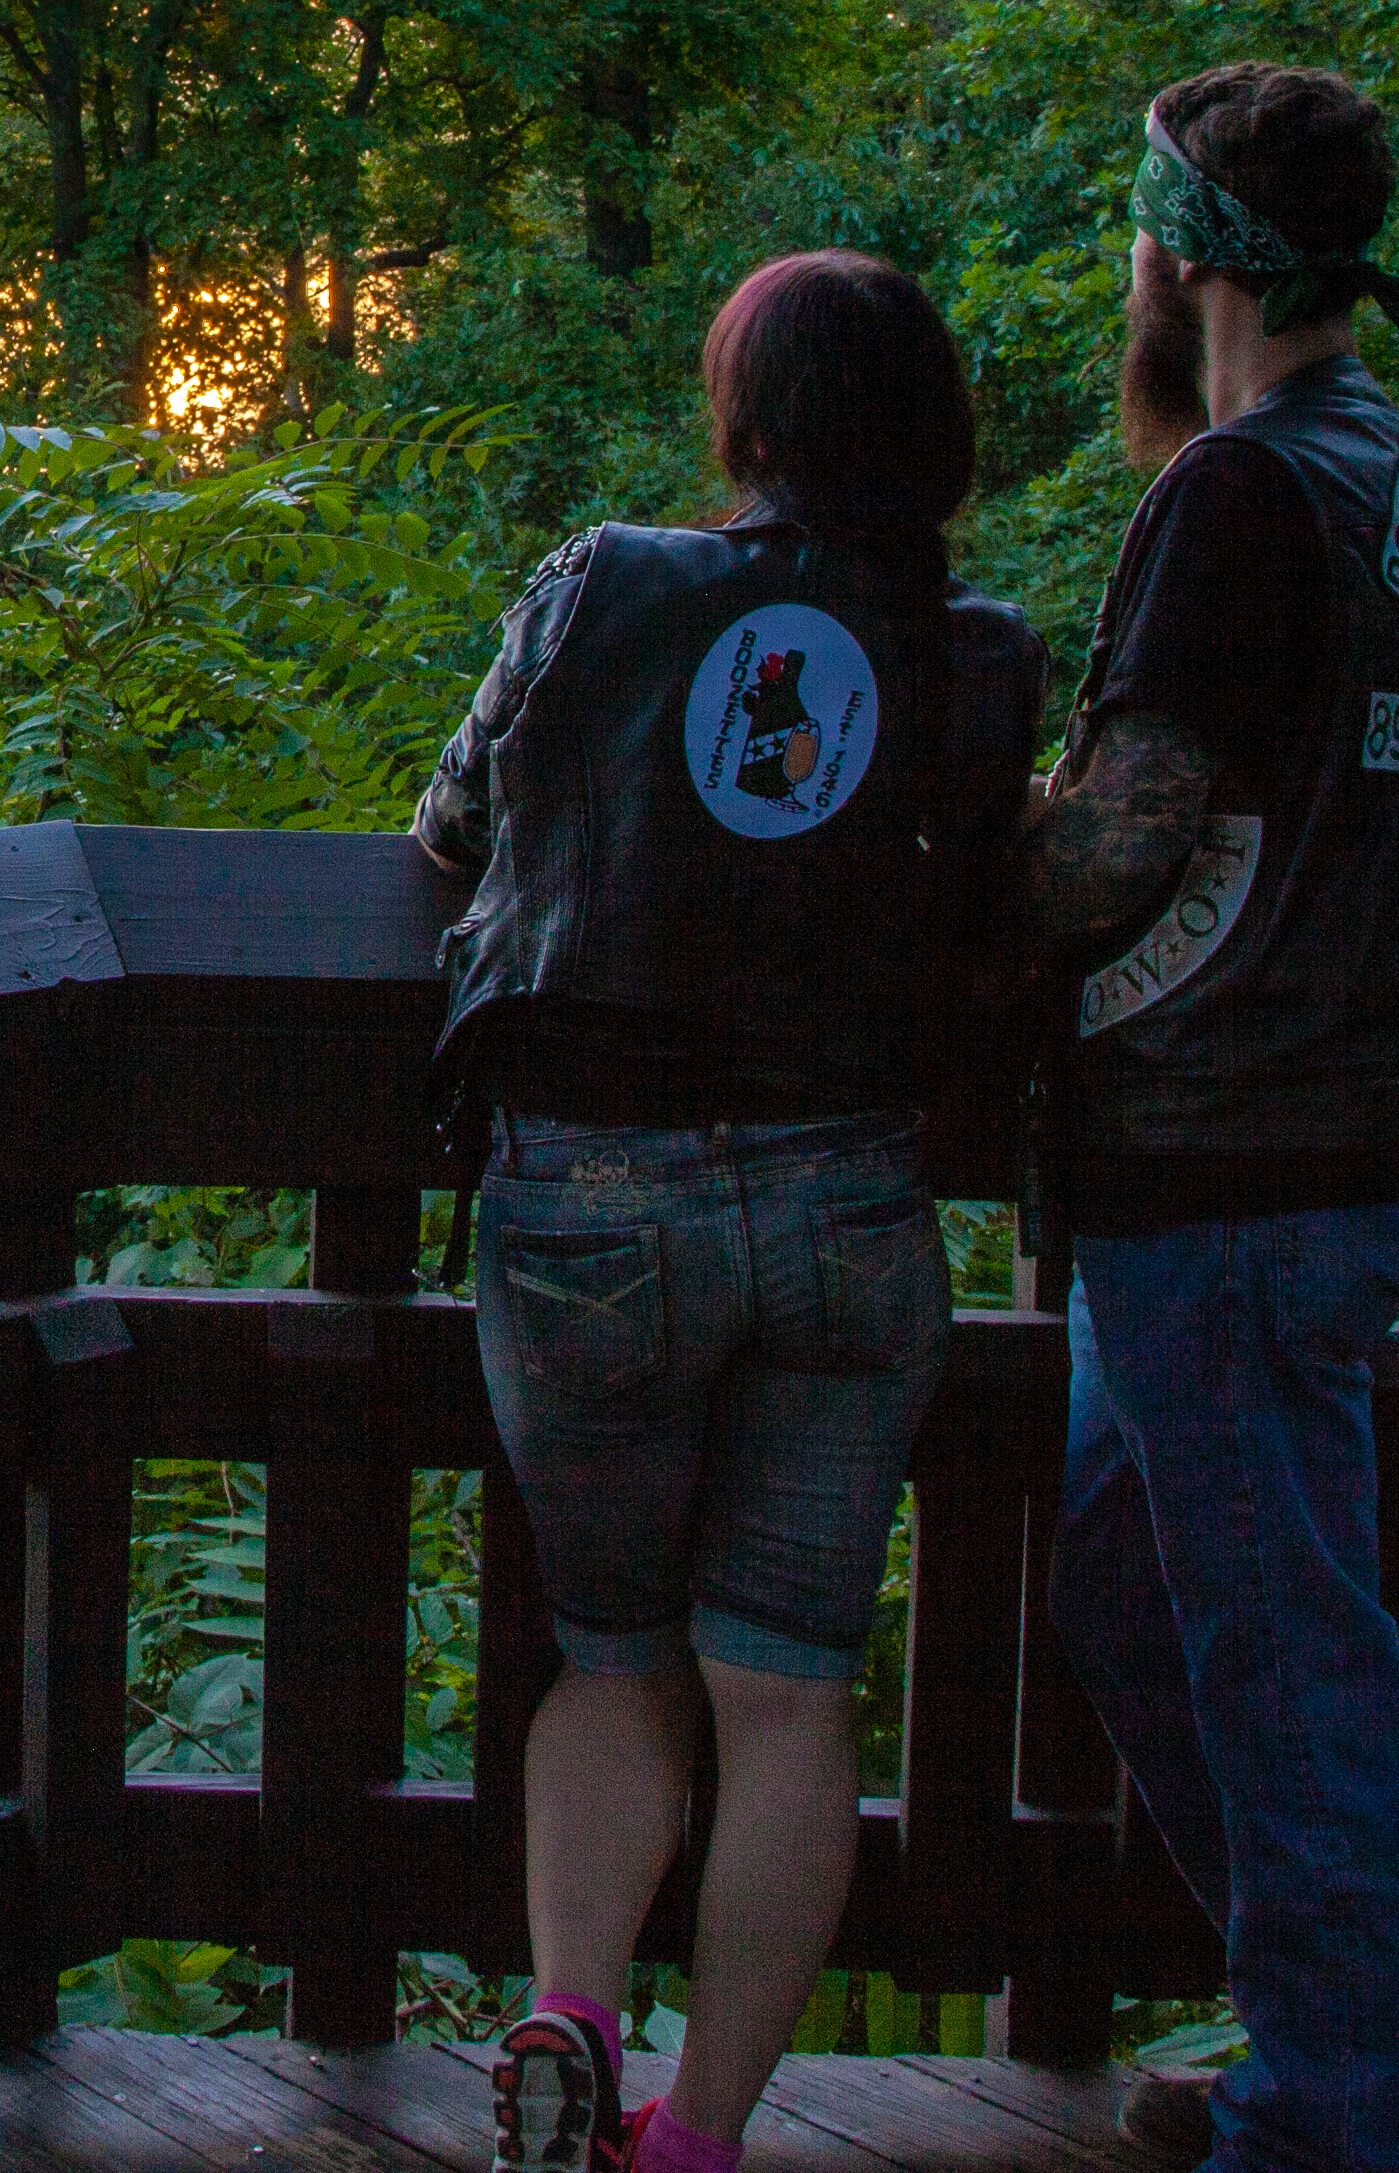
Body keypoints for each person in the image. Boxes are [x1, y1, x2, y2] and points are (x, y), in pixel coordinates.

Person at [414, 251, 1047, 2173]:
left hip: (591, 1204)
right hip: (854, 1201)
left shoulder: (605, 584)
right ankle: (694, 2140)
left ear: (745, 430)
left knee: (613, 1654)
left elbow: (448, 833)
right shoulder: (982, 655)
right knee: (786, 1692)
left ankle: (570, 2014)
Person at [1015, 64, 1399, 2173]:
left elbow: (1115, 851)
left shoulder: (1235, 494)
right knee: (1145, 1592)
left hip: (1233, 1157)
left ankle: (1368, 2125)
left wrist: (926, 886)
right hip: (1332, 1132)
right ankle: (1329, 2044)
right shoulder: (1382, 473)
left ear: (1182, 257)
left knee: (1284, 1660)